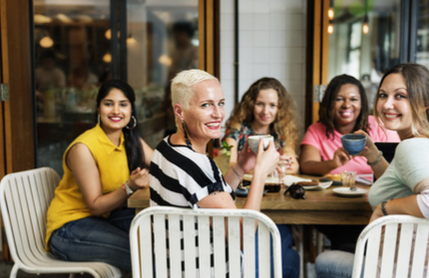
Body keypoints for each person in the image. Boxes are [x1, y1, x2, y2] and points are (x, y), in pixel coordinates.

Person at [315, 63, 429, 278]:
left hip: (404, 269)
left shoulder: (412, 146)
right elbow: (402, 186)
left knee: (323, 261)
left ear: (424, 103)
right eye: (382, 95)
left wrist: (385, 209)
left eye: (400, 96)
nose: (387, 104)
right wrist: (374, 156)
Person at [149, 69, 300, 277]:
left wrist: (240, 168)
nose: (218, 114)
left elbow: (211, 197)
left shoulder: (164, 147)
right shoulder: (198, 165)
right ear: (180, 111)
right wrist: (260, 173)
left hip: (175, 267)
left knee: (286, 250)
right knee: (290, 257)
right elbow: (245, 237)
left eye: (220, 103)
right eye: (206, 105)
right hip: (209, 270)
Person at [46, 80, 154, 272]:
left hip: (104, 219)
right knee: (144, 254)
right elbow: (95, 206)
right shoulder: (83, 148)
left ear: (131, 110)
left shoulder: (129, 139)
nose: (116, 111)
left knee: (159, 230)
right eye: (108, 103)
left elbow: (162, 167)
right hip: (69, 229)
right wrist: (130, 186)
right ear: (98, 109)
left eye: (123, 104)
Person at [300, 74, 400, 176]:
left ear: (362, 103)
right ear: (329, 102)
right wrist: (333, 164)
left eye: (353, 99)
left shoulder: (380, 125)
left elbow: (398, 165)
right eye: (339, 99)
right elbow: (306, 166)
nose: (346, 105)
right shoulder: (316, 130)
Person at [223, 77, 300, 174]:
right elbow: (229, 165)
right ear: (251, 105)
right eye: (260, 104)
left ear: (279, 108)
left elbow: (294, 166)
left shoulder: (282, 130)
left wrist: (278, 166)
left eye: (272, 105)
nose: (265, 111)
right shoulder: (236, 129)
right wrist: (268, 168)